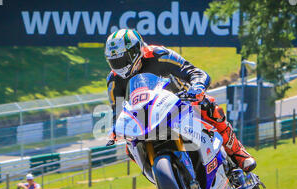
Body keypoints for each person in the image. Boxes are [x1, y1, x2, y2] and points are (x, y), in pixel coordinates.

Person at [104, 28, 256, 172]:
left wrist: (197, 87)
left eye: (123, 59)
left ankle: (238, 153)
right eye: (114, 61)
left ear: (136, 50)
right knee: (129, 146)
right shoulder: (114, 80)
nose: (119, 65)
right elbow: (117, 111)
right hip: (146, 117)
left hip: (182, 101)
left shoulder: (160, 55)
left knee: (209, 106)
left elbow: (194, 72)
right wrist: (114, 130)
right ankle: (159, 179)